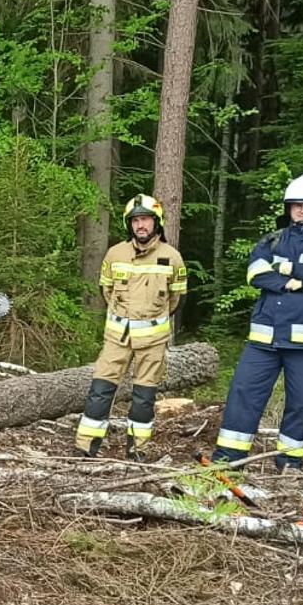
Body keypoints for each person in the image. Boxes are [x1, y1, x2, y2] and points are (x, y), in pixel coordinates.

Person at [211, 174, 303, 470]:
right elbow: (255, 274)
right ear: (288, 208)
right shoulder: (271, 239)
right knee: (243, 394)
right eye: (296, 204)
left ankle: (290, 464)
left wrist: (283, 267)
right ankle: (228, 460)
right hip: (264, 339)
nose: (302, 209)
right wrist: (296, 281)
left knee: (299, 404)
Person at [75, 194, 187, 461]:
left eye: (146, 219)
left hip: (152, 341)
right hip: (117, 338)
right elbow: (106, 290)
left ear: (156, 223)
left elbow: (176, 299)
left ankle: (138, 450)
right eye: (136, 221)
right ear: (130, 224)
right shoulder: (115, 254)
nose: (141, 225)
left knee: (144, 397)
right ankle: (85, 447)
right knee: (100, 390)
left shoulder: (172, 258)